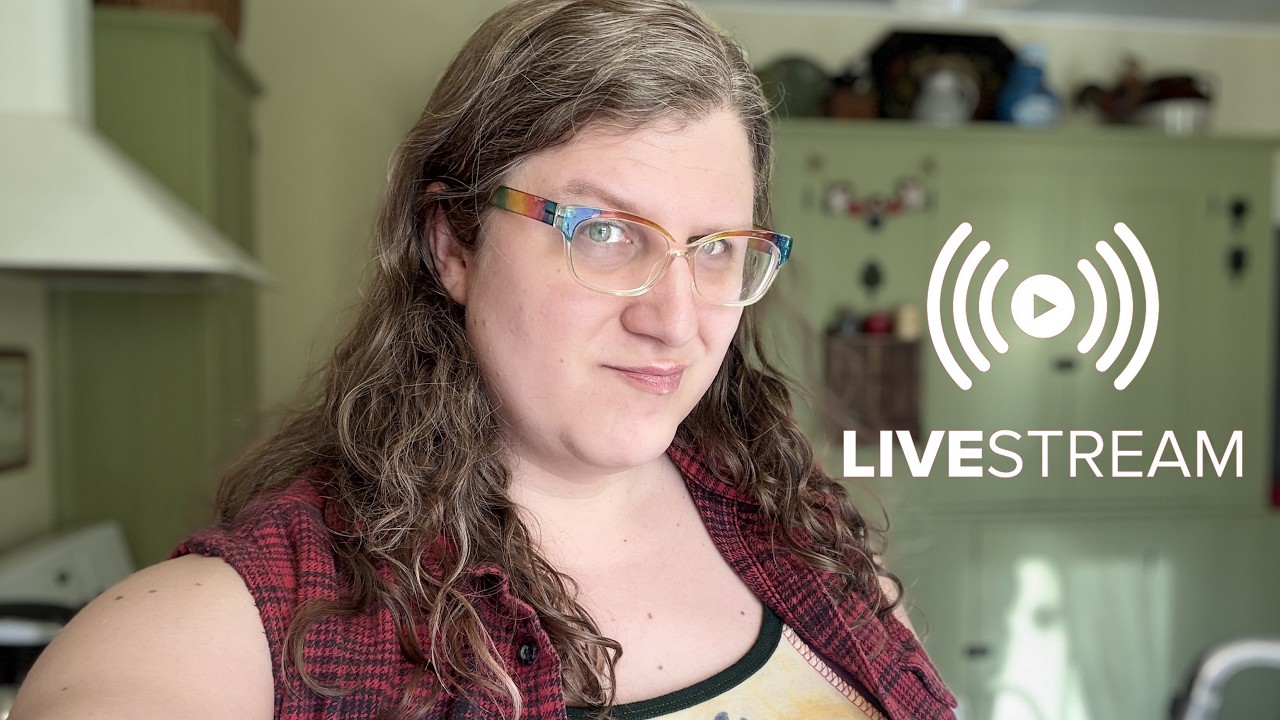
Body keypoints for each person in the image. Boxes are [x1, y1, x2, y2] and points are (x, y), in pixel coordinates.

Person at [14, 0, 957, 718]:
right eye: (604, 232)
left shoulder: (813, 545)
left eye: (715, 249)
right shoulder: (254, 626)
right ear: (453, 244)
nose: (676, 321)